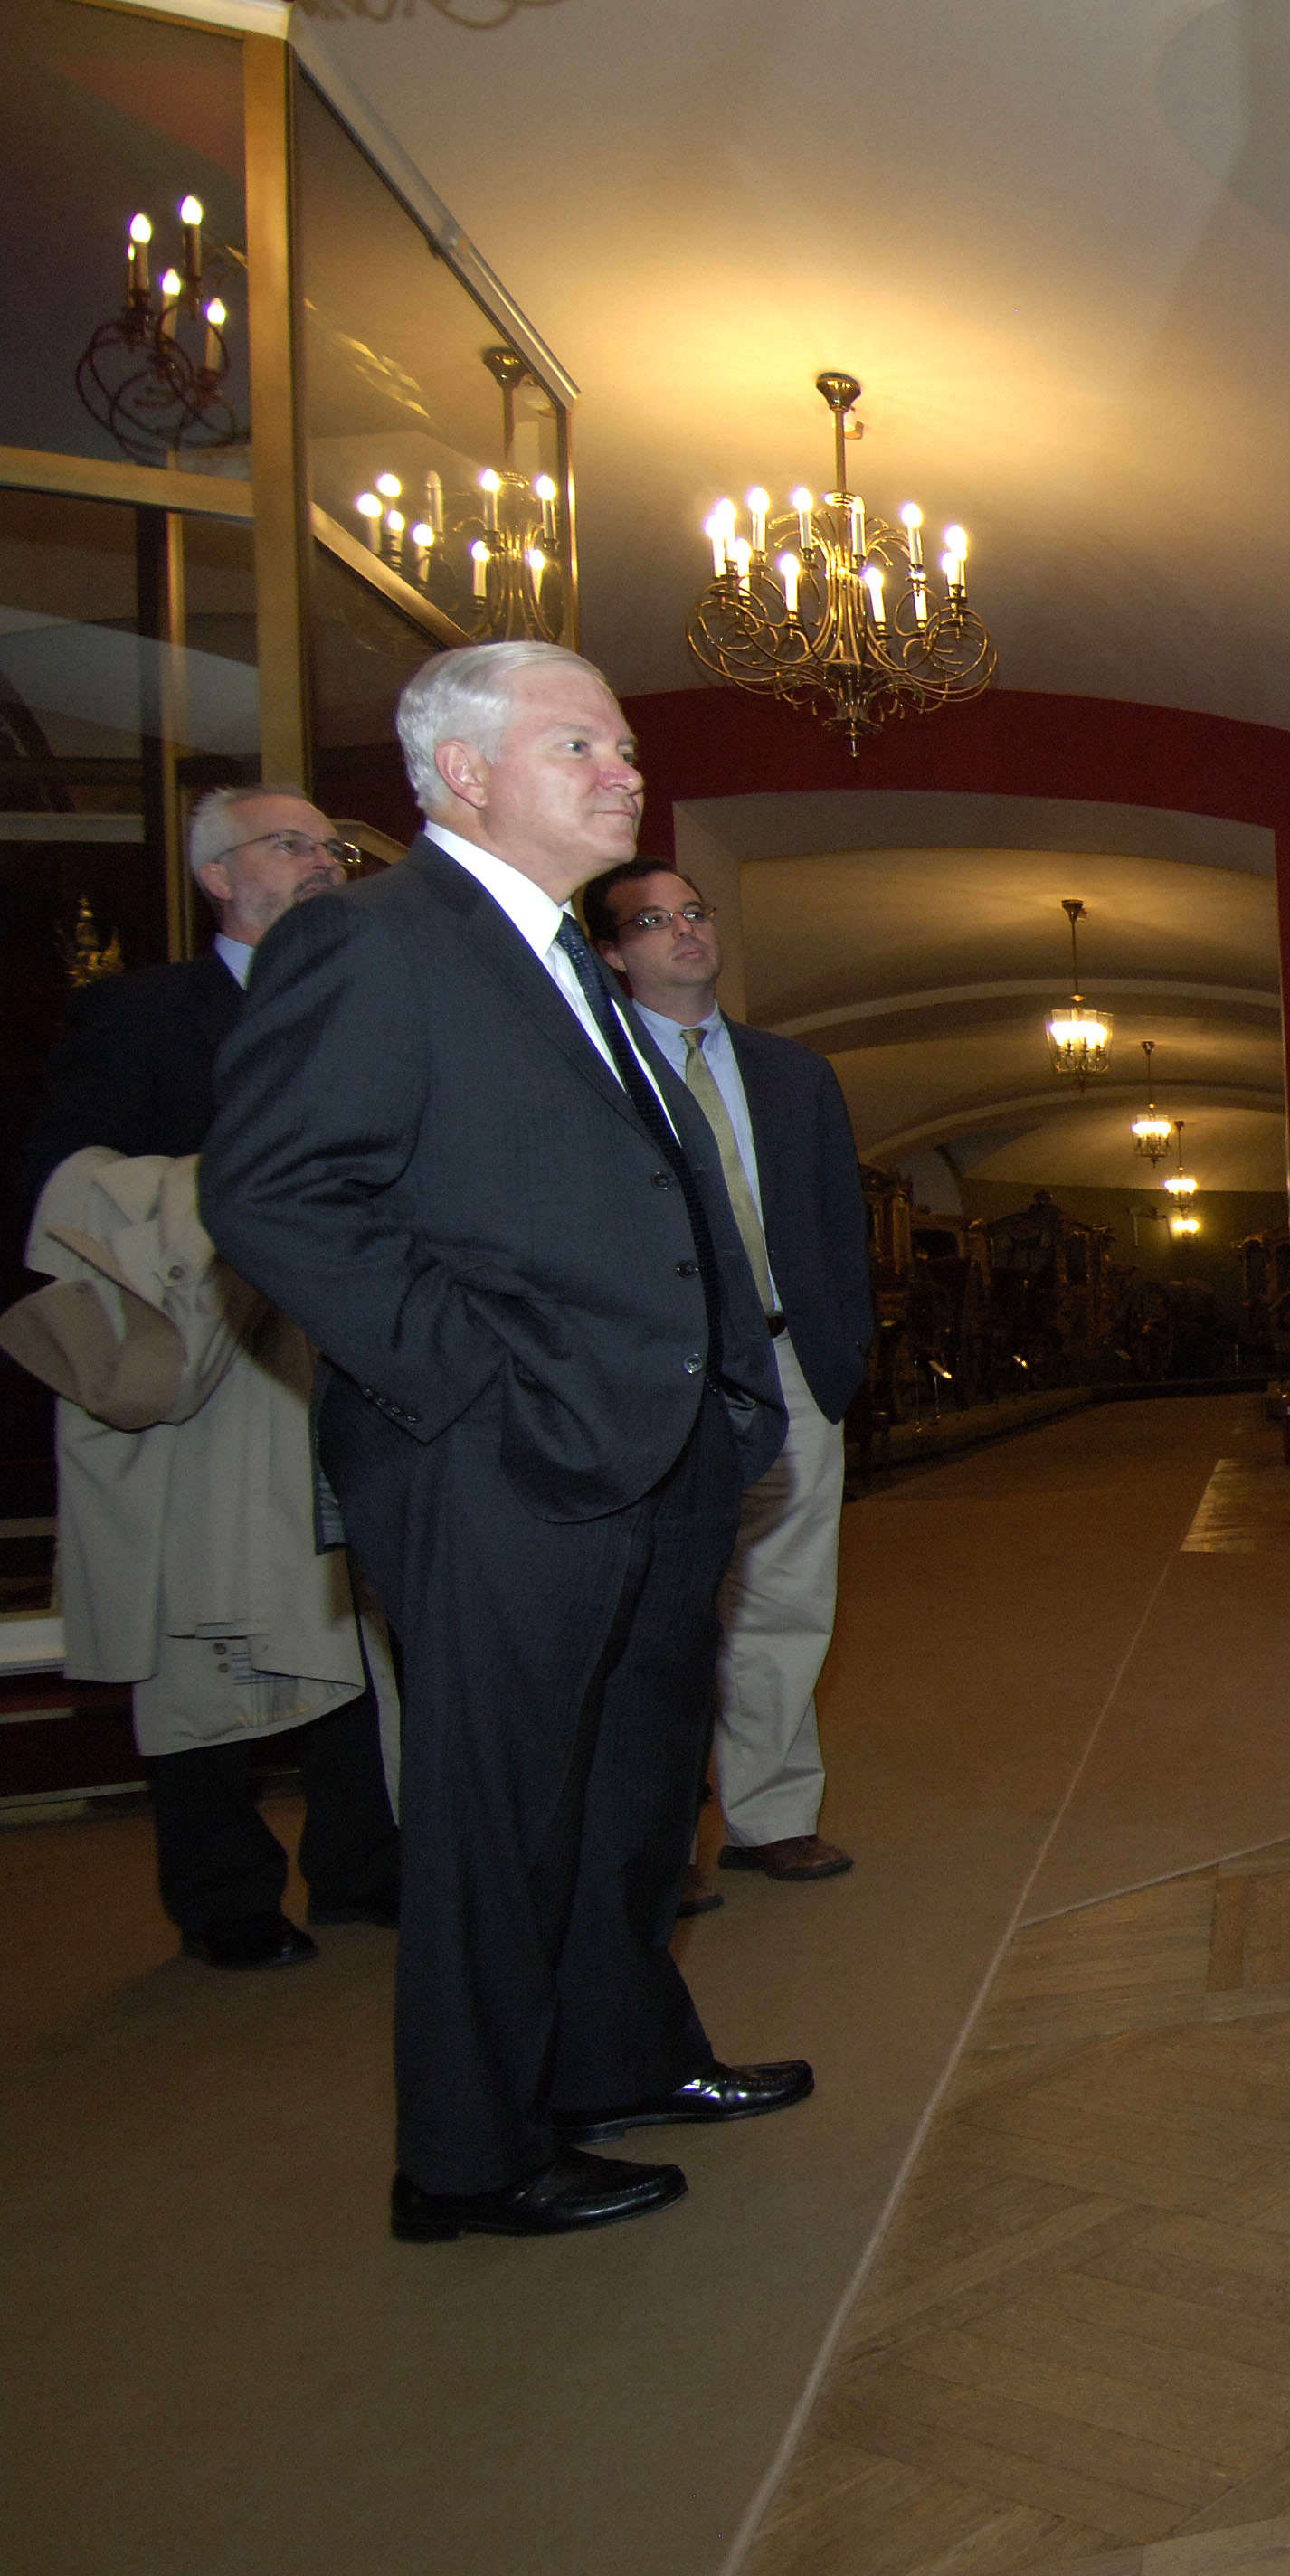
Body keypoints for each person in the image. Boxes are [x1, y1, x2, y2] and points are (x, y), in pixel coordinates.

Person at [202, 640, 810, 2245]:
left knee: (628, 1791)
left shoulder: (565, 953)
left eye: (619, 746)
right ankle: (466, 2156)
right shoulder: (374, 941)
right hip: (500, 1459)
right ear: (465, 775)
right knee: (499, 1813)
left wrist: (722, 1402)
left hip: (656, 1454)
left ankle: (613, 2054)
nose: (624, 770)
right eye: (581, 747)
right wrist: (477, 1384)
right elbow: (272, 1191)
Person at [8, 787, 399, 1965]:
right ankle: (224, 1898)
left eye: (332, 847)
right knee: (198, 1639)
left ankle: (361, 1865)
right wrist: (222, 1200)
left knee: (353, 1622)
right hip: (202, 1376)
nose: (325, 863)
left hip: (340, 1360)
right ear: (219, 876)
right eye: (293, 845)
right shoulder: (141, 1014)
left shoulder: (368, 1011)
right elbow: (59, 1184)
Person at [586, 859, 870, 1897]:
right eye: (652, 921)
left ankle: (772, 1814)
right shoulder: (590, 1070)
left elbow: (840, 1224)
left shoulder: (793, 1073)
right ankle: (658, 1835)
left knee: (788, 1596)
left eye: (694, 912)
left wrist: (844, 1350)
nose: (684, 931)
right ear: (614, 952)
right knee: (659, 1606)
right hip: (658, 1376)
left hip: (790, 1359)